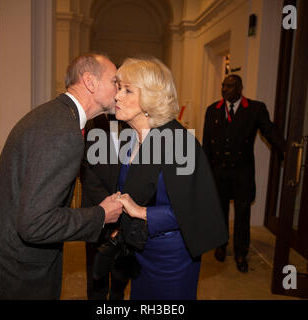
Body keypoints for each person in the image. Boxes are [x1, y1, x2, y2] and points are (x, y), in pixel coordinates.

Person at [0, 53, 123, 299]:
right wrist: (100, 215)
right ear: (90, 81)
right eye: (114, 82)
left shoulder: (54, 114)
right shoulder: (63, 132)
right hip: (13, 274)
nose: (119, 91)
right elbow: (35, 224)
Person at [97, 57, 228, 300]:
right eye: (118, 88)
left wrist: (142, 212)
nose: (117, 96)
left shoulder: (179, 143)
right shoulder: (131, 138)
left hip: (171, 258)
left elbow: (194, 210)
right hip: (139, 248)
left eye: (127, 90)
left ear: (149, 98)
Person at [202, 74, 285, 273]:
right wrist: (203, 172)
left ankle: (241, 252)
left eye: (229, 86)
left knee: (242, 215)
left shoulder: (256, 109)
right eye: (223, 86)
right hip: (219, 171)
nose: (224, 90)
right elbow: (206, 144)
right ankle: (220, 244)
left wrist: (286, 151)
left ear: (240, 88)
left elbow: (270, 132)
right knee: (219, 211)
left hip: (242, 172)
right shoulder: (212, 110)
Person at [81, 114, 129, 300]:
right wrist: (110, 203)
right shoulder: (91, 120)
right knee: (96, 269)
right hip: (97, 207)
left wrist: (124, 202)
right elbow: (85, 168)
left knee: (121, 270)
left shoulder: (132, 120)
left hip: (127, 208)